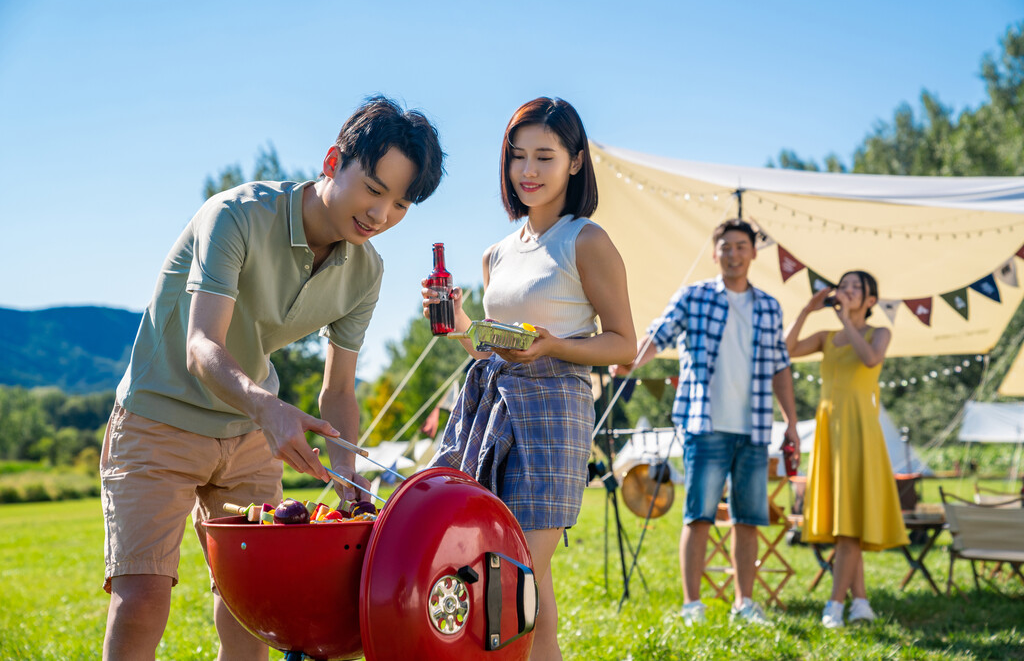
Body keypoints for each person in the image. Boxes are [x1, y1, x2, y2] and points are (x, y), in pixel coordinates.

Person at [100, 96, 445, 660]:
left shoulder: (365, 271)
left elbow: (338, 390)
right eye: (374, 189)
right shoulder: (235, 215)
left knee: (254, 605)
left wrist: (347, 477)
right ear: (334, 160)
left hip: (248, 436)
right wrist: (270, 408)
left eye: (401, 204)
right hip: (158, 418)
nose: (381, 215)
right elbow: (200, 344)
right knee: (142, 599)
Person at [423, 97, 635, 661]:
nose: (528, 171)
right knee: (496, 563)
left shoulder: (586, 240)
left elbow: (624, 344)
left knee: (519, 567)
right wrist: (460, 321)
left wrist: (553, 345)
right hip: (492, 405)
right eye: (518, 156)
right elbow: (488, 345)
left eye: (545, 156)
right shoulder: (498, 253)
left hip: (555, 410)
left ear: (575, 161)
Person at [612, 219, 800, 627]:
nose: (733, 254)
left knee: (749, 518)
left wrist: (790, 423)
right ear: (715, 253)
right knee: (698, 515)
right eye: (725, 247)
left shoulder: (769, 306)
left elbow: (780, 368)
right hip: (704, 425)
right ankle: (692, 606)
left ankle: (744, 604)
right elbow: (657, 335)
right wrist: (629, 359)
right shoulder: (693, 297)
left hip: (753, 429)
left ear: (752, 253)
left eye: (740, 247)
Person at [785, 271, 908, 628]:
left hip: (859, 431)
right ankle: (862, 604)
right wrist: (807, 311)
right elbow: (786, 350)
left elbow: (870, 359)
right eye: (845, 285)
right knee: (845, 521)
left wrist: (845, 321)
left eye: (857, 288)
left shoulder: (878, 333)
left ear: (870, 301)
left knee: (849, 523)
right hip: (829, 431)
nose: (848, 291)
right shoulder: (826, 337)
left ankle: (835, 605)